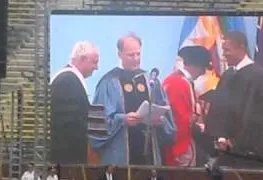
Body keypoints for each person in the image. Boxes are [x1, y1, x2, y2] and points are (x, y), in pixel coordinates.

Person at [199, 31, 263, 167]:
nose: (223, 55)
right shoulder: (228, 75)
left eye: (227, 50)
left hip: (252, 151)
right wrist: (222, 138)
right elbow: (221, 111)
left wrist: (235, 142)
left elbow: (256, 115)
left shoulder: (257, 76)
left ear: (241, 48)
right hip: (229, 150)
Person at [90, 33, 176, 165]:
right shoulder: (108, 82)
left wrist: (161, 121)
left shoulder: (151, 81)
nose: (136, 59)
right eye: (131, 55)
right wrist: (123, 119)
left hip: (149, 154)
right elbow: (98, 125)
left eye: (138, 54)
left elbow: (168, 119)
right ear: (119, 54)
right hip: (120, 156)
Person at [50, 41, 99, 164]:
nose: (97, 67)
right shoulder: (67, 80)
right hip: (66, 157)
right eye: (94, 62)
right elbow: (69, 125)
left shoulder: (70, 79)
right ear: (82, 59)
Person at [162, 46, 211, 166]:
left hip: (175, 144)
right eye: (203, 68)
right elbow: (181, 119)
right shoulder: (180, 83)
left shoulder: (173, 80)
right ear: (197, 66)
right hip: (179, 146)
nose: (203, 72)